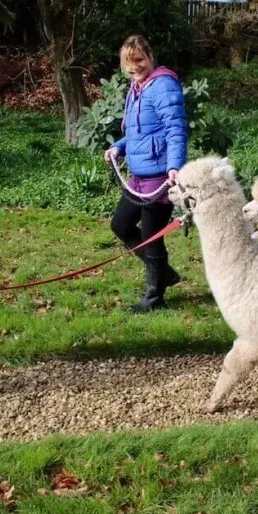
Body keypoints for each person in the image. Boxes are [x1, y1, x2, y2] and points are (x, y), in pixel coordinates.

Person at [104, 35, 188, 312]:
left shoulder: (163, 85)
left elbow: (175, 128)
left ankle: (154, 298)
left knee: (152, 236)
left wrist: (174, 165)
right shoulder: (137, 88)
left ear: (150, 56)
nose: (134, 67)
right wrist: (118, 147)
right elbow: (137, 133)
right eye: (128, 63)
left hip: (159, 175)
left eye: (138, 60)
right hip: (138, 175)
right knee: (121, 225)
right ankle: (164, 273)